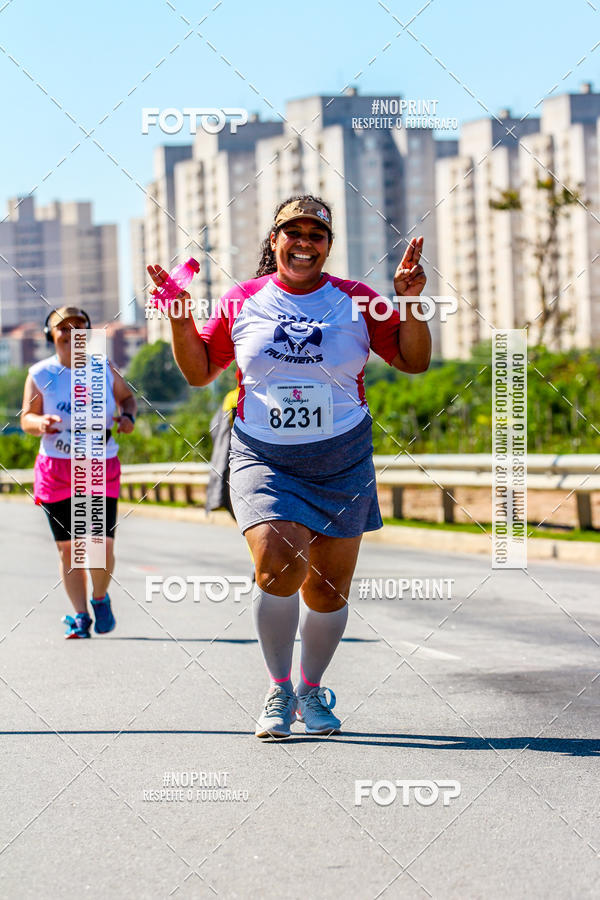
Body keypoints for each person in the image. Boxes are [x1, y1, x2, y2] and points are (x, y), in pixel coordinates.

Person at [148, 194, 430, 738]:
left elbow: (414, 362)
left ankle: (310, 686)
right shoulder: (243, 299)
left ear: (327, 246)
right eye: (292, 232)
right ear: (274, 240)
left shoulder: (357, 300)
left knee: (326, 590)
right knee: (279, 563)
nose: (304, 242)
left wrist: (410, 301)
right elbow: (201, 372)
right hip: (263, 456)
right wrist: (181, 321)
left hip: (342, 458)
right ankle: (277, 691)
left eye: (316, 235)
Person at [20, 306, 137, 639]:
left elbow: (128, 399)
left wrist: (128, 418)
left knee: (98, 544)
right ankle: (80, 616)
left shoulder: (104, 369)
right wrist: (39, 423)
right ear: (51, 335)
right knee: (69, 548)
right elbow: (26, 418)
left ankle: (99, 599)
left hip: (98, 464)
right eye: (63, 328)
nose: (72, 333)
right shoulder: (40, 373)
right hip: (56, 467)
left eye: (80, 327)